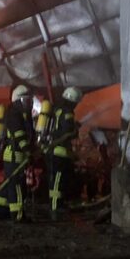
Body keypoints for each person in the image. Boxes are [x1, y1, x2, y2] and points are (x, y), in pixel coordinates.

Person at [0, 84, 34, 222]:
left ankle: (1, 211)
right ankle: (18, 215)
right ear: (17, 100)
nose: (28, 104)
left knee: (9, 183)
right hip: (15, 154)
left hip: (12, 154)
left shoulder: (18, 113)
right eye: (26, 101)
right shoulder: (14, 114)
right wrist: (27, 150)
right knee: (17, 184)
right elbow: (19, 135)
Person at [48, 86, 82, 220]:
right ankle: (55, 208)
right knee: (57, 182)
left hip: (55, 151)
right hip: (60, 152)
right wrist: (75, 130)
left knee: (58, 181)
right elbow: (68, 133)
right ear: (73, 101)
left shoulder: (57, 109)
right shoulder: (67, 112)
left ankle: (58, 205)